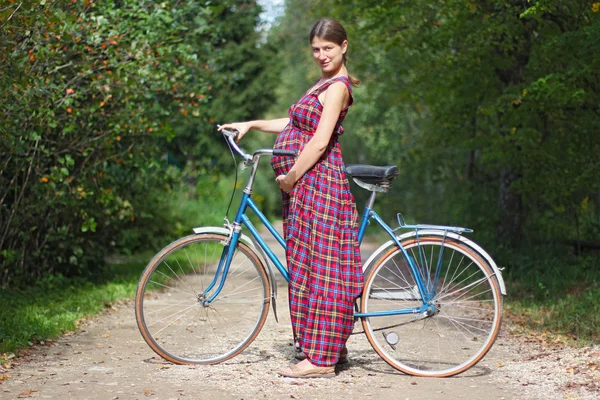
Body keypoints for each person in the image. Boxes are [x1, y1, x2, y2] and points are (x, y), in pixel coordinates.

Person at [218, 17, 363, 378]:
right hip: (306, 185)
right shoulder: (322, 84)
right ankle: (328, 348)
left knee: (325, 269)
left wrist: (292, 176)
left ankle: (322, 361)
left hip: (319, 183)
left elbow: (319, 139)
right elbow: (295, 123)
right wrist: (251, 124)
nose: (321, 55)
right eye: (315, 49)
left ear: (344, 46)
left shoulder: (338, 87)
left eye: (327, 48)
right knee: (309, 266)